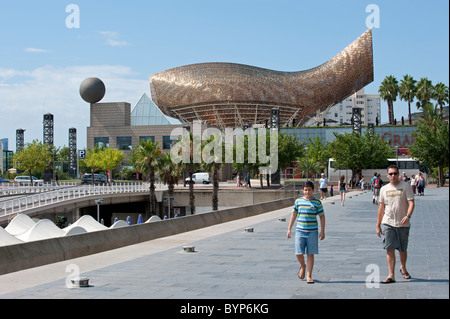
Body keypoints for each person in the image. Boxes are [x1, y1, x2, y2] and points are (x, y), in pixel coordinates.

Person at [376, 164, 415, 284]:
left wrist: (408, 216)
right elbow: (381, 207)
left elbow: (411, 203)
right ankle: (391, 275)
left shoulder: (406, 186)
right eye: (391, 174)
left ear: (398, 174)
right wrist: (378, 225)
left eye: (395, 173)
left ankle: (403, 267)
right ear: (387, 175)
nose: (393, 176)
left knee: (402, 249)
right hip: (388, 223)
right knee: (390, 248)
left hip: (403, 223)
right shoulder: (384, 189)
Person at [287, 181, 325, 284]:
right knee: (298, 252)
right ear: (302, 191)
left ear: (313, 190)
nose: (307, 192)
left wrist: (322, 231)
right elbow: (293, 215)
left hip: (312, 232)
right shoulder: (298, 201)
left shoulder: (317, 202)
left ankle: (309, 275)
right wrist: (289, 228)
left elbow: (322, 216)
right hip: (300, 231)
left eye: (309, 190)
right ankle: (303, 266)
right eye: (305, 190)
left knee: (310, 253)